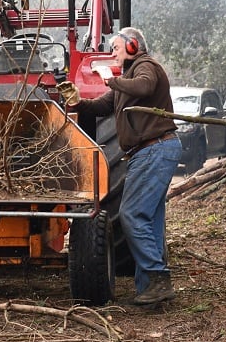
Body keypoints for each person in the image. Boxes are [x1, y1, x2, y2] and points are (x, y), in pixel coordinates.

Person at [57, 26, 182, 305]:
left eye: (115, 47)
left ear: (133, 45)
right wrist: (77, 102)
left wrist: (111, 80)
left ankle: (158, 278)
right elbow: (101, 106)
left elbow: (145, 86)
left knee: (131, 214)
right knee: (150, 219)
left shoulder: (146, 66)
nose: (112, 52)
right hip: (148, 151)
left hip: (155, 149)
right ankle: (150, 289)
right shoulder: (127, 78)